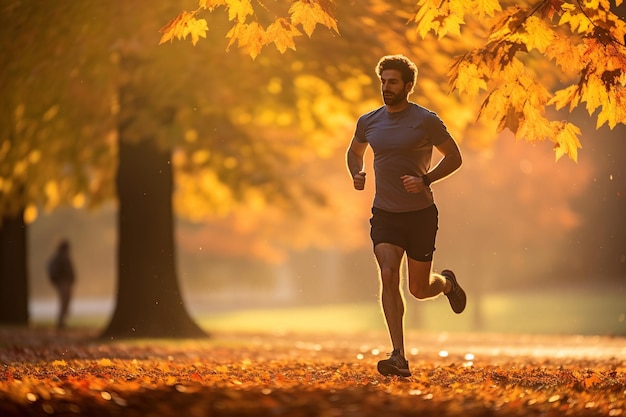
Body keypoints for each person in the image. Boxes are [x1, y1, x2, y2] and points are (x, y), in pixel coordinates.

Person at [346, 54, 466, 377]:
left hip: (420, 216)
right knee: (387, 274)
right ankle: (398, 355)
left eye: (393, 82)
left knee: (418, 288)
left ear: (408, 86)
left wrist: (425, 179)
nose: (386, 87)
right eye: (383, 81)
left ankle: (446, 283)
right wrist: (356, 173)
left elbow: (455, 157)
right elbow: (354, 152)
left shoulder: (426, 120)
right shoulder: (369, 121)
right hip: (385, 214)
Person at [47, 239, 76, 329]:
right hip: (63, 282)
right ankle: (60, 322)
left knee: (65, 301)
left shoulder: (59, 256)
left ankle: (61, 321)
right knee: (64, 301)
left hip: (63, 282)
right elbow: (68, 270)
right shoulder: (62, 257)